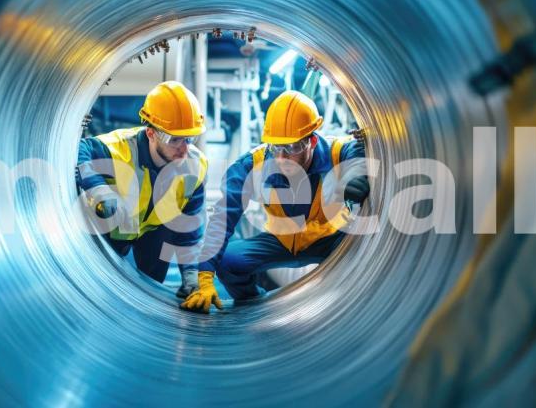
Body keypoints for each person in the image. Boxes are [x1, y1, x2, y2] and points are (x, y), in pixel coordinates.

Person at [180, 90, 370, 313]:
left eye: (292, 148)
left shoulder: (336, 152)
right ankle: (256, 307)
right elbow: (223, 219)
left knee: (362, 252)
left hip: (331, 241)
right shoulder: (252, 166)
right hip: (281, 241)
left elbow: (358, 148)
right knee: (228, 261)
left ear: (312, 141)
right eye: (276, 147)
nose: (281, 158)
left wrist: (355, 175)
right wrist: (204, 277)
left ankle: (345, 307)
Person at [76, 81, 208, 298]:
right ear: (151, 133)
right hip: (114, 226)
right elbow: (80, 150)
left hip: (154, 233)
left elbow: (189, 228)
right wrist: (98, 189)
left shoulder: (195, 166)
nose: (184, 149)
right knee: (105, 288)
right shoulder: (117, 149)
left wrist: (191, 274)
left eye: (189, 139)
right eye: (174, 139)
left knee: (150, 289)